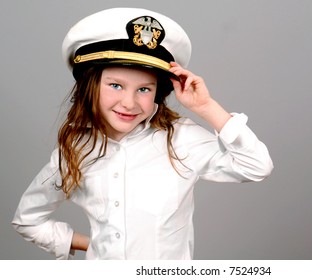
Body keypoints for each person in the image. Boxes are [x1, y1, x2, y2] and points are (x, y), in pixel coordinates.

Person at [12, 7, 273, 260]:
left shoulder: (179, 139)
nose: (129, 103)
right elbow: (28, 220)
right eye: (115, 85)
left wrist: (206, 107)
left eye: (144, 89)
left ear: (158, 93)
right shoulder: (75, 150)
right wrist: (93, 246)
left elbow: (256, 167)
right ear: (91, 85)